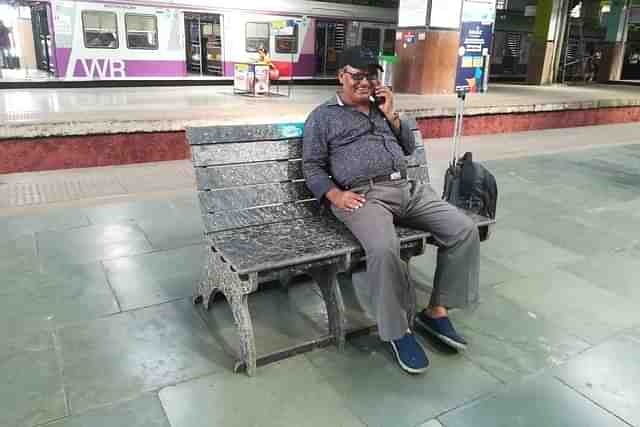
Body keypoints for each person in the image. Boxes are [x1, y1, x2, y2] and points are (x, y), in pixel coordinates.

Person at [302, 46, 480, 374]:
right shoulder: (322, 117)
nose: (366, 82)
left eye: (371, 76)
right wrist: (334, 195)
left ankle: (436, 311)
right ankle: (398, 330)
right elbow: (311, 166)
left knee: (463, 229)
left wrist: (392, 115)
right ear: (341, 75)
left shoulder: (381, 107)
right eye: (357, 75)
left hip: (407, 188)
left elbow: (409, 148)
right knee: (384, 249)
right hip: (363, 195)